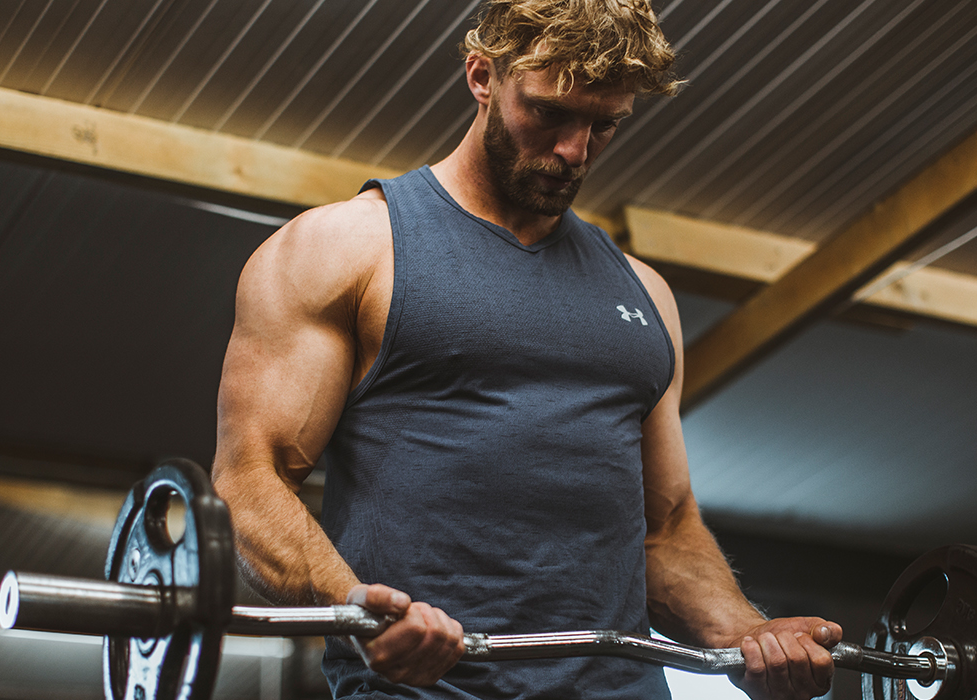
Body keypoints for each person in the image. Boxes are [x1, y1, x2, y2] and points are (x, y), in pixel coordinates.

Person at [212, 1, 842, 698]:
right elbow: (251, 480)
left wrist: (747, 637)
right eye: (548, 113)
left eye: (604, 125)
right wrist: (356, 608)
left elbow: (663, 529)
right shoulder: (348, 249)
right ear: (482, 76)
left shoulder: (644, 292)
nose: (574, 151)